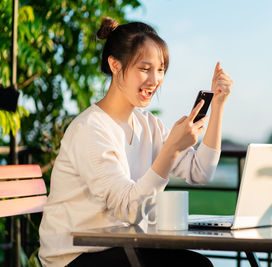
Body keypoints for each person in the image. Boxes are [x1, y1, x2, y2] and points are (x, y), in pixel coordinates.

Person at [38, 17, 233, 267]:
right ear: (115, 65)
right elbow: (128, 210)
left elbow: (201, 171)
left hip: (124, 246)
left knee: (197, 264)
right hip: (75, 256)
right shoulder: (90, 129)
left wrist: (217, 106)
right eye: (144, 68)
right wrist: (171, 150)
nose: (155, 80)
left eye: (161, 69)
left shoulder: (148, 125)